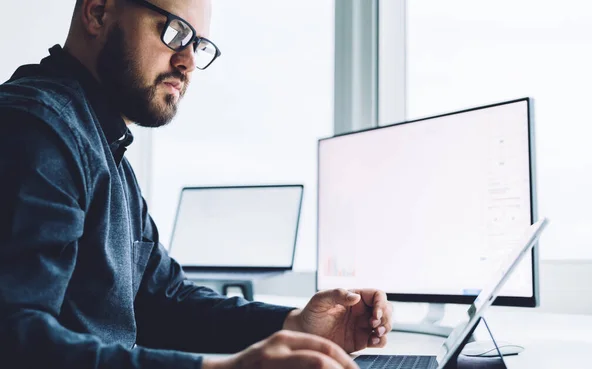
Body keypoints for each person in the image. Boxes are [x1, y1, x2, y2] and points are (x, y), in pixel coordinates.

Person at [0, 0, 393, 368]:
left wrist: (295, 323)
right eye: (174, 31)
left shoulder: (103, 148)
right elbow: (16, 339)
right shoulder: (36, 131)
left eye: (198, 44)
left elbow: (165, 300)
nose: (187, 61)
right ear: (98, 12)